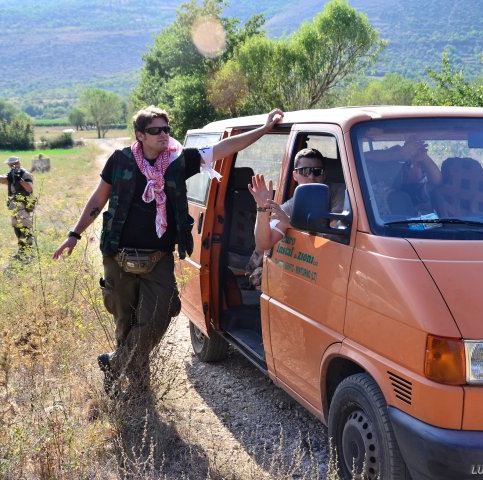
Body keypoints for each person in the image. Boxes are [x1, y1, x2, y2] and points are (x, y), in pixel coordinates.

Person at [52, 105, 283, 401]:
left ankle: (115, 364)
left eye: (166, 129)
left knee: (159, 316)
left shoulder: (178, 160)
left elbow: (225, 148)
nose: (163, 135)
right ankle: (137, 394)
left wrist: (263, 129)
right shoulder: (120, 161)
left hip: (158, 258)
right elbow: (99, 198)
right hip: (118, 256)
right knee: (126, 323)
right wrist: (74, 234)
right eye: (155, 130)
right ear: (140, 135)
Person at [245, 148, 345, 287]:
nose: (311, 177)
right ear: (295, 175)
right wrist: (262, 207)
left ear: (324, 175)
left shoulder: (338, 193)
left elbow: (334, 239)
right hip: (307, 275)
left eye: (317, 171)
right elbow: (264, 243)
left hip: (335, 271)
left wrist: (292, 224)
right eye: (304, 171)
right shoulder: (293, 204)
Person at [386, 136, 442, 216]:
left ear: (423, 172)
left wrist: (424, 157)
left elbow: (437, 181)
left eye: (409, 165)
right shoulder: (383, 188)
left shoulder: (419, 190)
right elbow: (365, 157)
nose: (404, 169)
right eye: (405, 164)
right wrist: (399, 153)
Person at [0, 156, 35, 260]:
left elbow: (29, 189)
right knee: (16, 226)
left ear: (19, 163)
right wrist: (9, 177)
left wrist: (20, 180)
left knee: (25, 227)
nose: (12, 166)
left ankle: (28, 253)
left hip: (24, 205)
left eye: (14, 164)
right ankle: (22, 251)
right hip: (14, 206)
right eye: (10, 165)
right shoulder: (11, 175)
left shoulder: (25, 174)